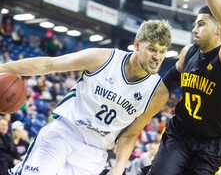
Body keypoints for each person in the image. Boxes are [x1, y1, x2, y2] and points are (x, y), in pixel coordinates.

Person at [0, 19, 171, 175]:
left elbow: (130, 134)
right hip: (64, 133)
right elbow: (48, 64)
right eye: (152, 49)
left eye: (163, 51)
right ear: (137, 45)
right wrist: (3, 69)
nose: (157, 57)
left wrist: (119, 166)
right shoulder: (103, 59)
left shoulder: (158, 93)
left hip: (94, 152)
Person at [148, 0, 221, 174]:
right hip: (180, 133)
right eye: (194, 24)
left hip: (212, 144)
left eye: (201, 23)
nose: (194, 29)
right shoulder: (187, 53)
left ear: (219, 29)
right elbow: (166, 85)